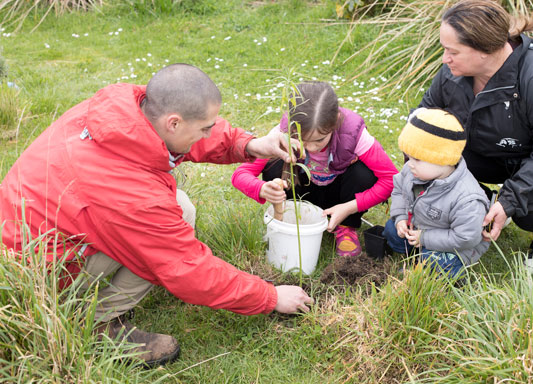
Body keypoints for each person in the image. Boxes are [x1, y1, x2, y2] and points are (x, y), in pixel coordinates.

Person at [0, 64, 314, 367]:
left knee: (181, 206)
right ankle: (93, 323)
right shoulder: (132, 194)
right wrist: (270, 296)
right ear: (173, 124)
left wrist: (251, 144)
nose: (207, 135)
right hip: (37, 279)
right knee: (167, 238)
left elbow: (173, 137)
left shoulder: (119, 113)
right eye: (204, 129)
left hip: (41, 233)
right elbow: (186, 268)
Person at [418, 0, 533, 273]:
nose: (445, 59)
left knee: (532, 209)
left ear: (483, 49)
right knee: (436, 167)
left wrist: (510, 200)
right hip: (498, 148)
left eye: (452, 51)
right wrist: (416, 173)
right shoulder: (452, 73)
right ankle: (479, 200)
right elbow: (425, 123)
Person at [231, 81, 398, 257]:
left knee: (363, 174)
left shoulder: (354, 136)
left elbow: (391, 179)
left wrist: (349, 208)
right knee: (274, 165)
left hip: (340, 197)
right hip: (303, 195)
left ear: (334, 125)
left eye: (319, 140)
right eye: (301, 139)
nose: (310, 148)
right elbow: (240, 174)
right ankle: (292, 219)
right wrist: (261, 189)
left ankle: (346, 226)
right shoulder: (281, 134)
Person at [383, 108, 490, 278]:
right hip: (420, 228)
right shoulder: (412, 171)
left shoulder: (467, 199)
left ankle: (446, 271)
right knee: (391, 230)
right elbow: (398, 191)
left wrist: (425, 238)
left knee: (435, 262)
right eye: (408, 157)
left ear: (443, 160)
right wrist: (401, 218)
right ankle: (417, 253)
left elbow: (466, 238)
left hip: (454, 246)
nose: (409, 164)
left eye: (417, 159)